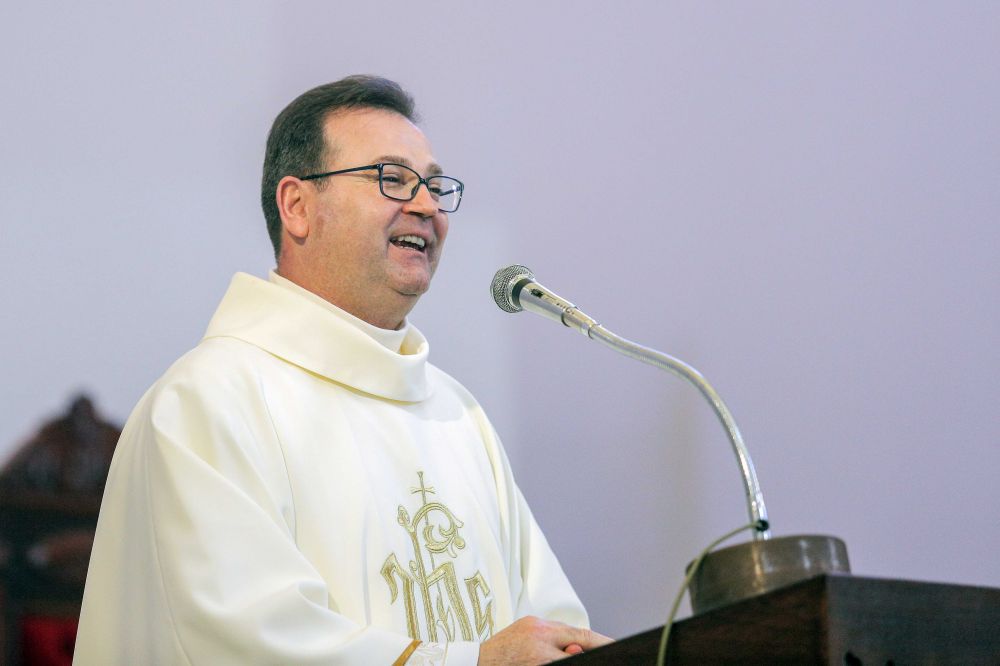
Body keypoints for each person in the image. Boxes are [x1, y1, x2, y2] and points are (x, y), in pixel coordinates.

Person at [75, 75, 611, 665]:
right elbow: (245, 642)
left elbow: (552, 629)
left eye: (434, 185)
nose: (427, 206)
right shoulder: (208, 402)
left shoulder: (457, 416)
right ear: (297, 207)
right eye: (392, 178)